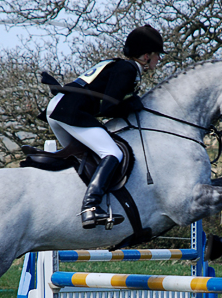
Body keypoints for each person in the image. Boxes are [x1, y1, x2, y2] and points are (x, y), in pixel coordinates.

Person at [45, 25, 165, 229]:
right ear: (146, 56)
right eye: (157, 55)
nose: (159, 60)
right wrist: (130, 105)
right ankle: (90, 207)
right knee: (113, 153)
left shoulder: (118, 65)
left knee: (86, 159)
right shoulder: (127, 69)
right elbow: (109, 106)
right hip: (70, 111)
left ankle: (73, 204)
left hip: (59, 108)